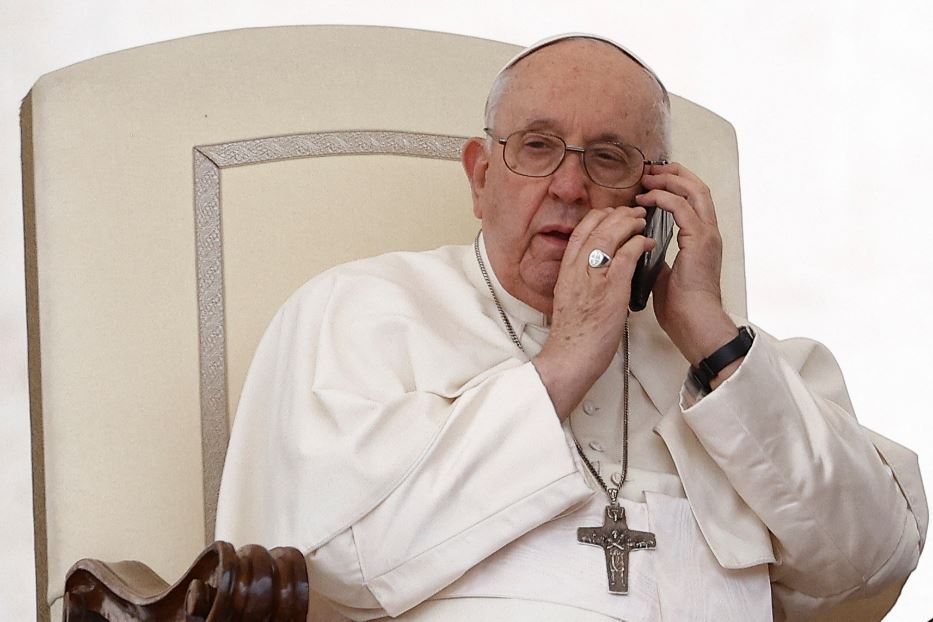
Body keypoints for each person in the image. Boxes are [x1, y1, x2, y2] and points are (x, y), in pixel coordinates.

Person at [215, 34, 927, 621]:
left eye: (608, 157)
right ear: (479, 176)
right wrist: (562, 364)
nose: (568, 186)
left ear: (655, 196)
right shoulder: (358, 310)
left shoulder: (730, 362)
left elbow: (868, 561)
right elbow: (326, 566)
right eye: (536, 146)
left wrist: (710, 337)